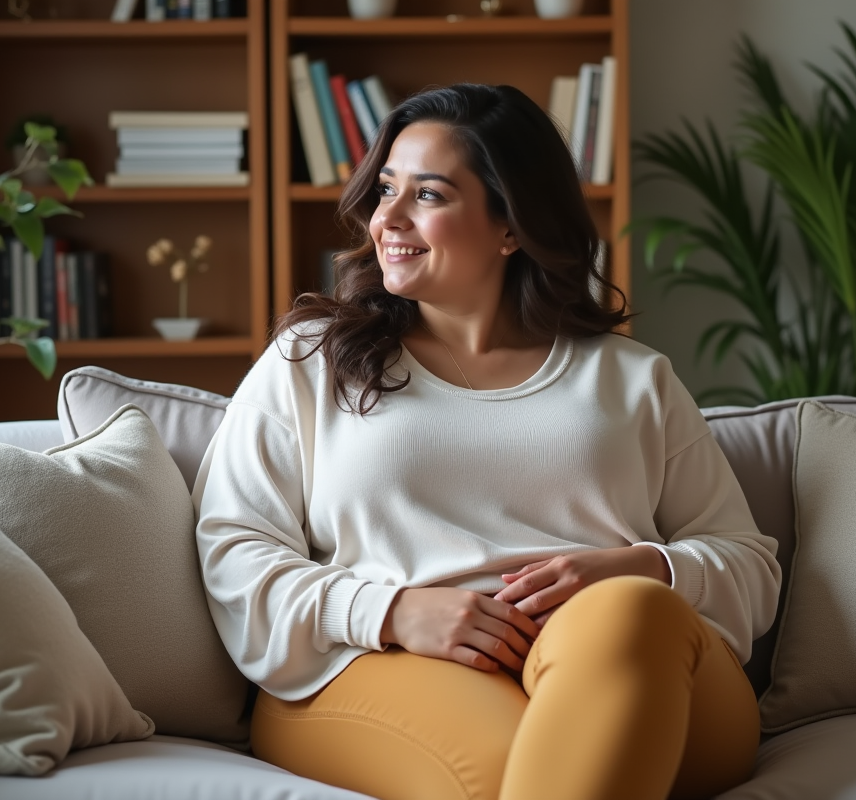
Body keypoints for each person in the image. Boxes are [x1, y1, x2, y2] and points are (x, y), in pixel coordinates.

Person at [193, 83, 781, 800]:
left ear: (513, 227)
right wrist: (391, 611)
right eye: (385, 189)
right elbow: (233, 547)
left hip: (645, 678)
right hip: (382, 659)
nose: (389, 219)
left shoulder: (632, 379)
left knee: (631, 613)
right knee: (537, 768)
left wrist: (637, 570)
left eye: (430, 196)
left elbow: (748, 565)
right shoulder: (312, 361)